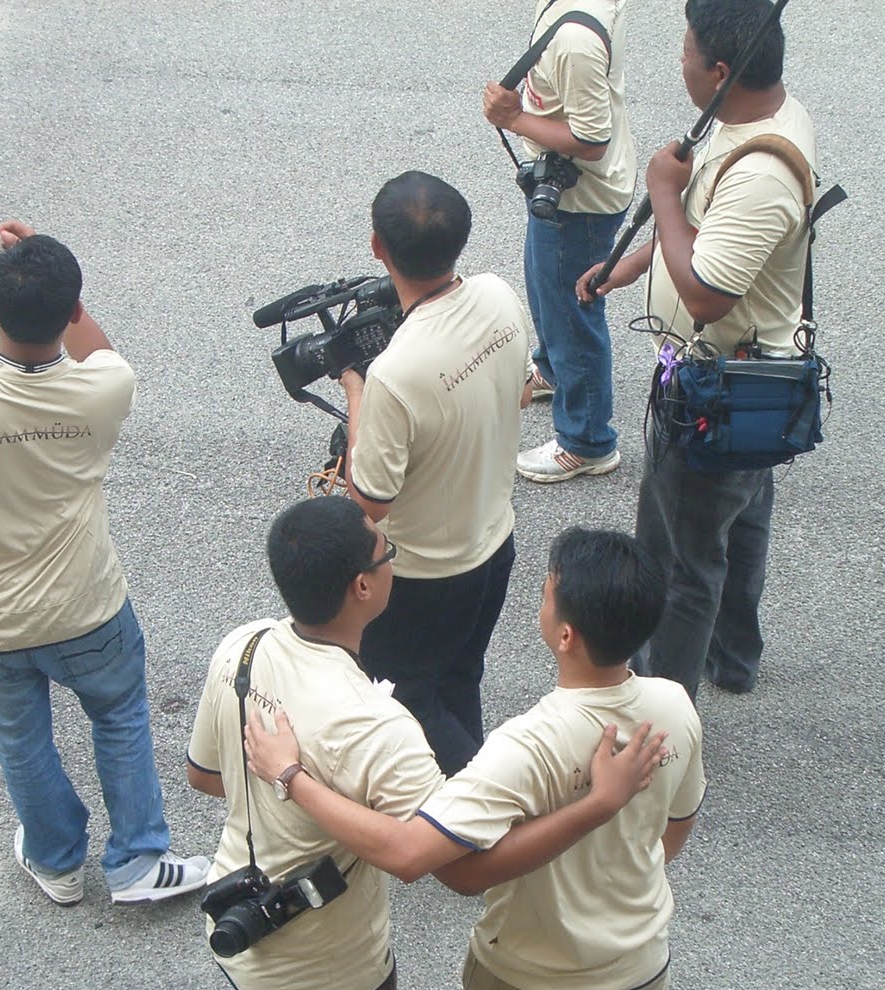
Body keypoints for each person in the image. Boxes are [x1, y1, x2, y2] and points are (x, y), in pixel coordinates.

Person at [186, 498, 662, 990]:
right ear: (363, 587)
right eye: (387, 553)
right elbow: (442, 864)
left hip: (241, 901)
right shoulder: (378, 727)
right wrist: (296, 780)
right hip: (326, 971)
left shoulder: (245, 646)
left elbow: (204, 774)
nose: (392, 559)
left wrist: (287, 783)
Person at [0, 220, 209, 907]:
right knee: (119, 717)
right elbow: (100, 351)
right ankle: (137, 861)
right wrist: (60, 282)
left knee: (22, 742)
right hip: (88, 603)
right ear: (72, 310)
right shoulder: (105, 389)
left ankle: (57, 861)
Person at [577, 0, 817, 700]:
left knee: (681, 559)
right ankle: (732, 659)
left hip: (715, 387)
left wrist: (660, 189)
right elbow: (705, 227)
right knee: (740, 521)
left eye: (686, 52)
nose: (678, 63)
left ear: (720, 71)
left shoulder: (760, 173)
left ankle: (661, 713)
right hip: (751, 379)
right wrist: (629, 265)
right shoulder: (754, 118)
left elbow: (709, 293)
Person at [338, 171, 531, 774]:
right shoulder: (499, 295)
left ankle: (485, 805)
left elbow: (371, 501)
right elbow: (524, 392)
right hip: (494, 543)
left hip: (423, 576)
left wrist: (354, 389)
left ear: (378, 246)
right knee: (461, 675)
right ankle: (467, 789)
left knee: (410, 694)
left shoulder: (394, 373)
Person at [483, 0, 635, 483]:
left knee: (571, 314)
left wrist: (513, 119)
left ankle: (586, 442)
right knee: (543, 285)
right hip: (569, 189)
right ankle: (552, 370)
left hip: (582, 201)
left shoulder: (576, 40)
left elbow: (592, 140)